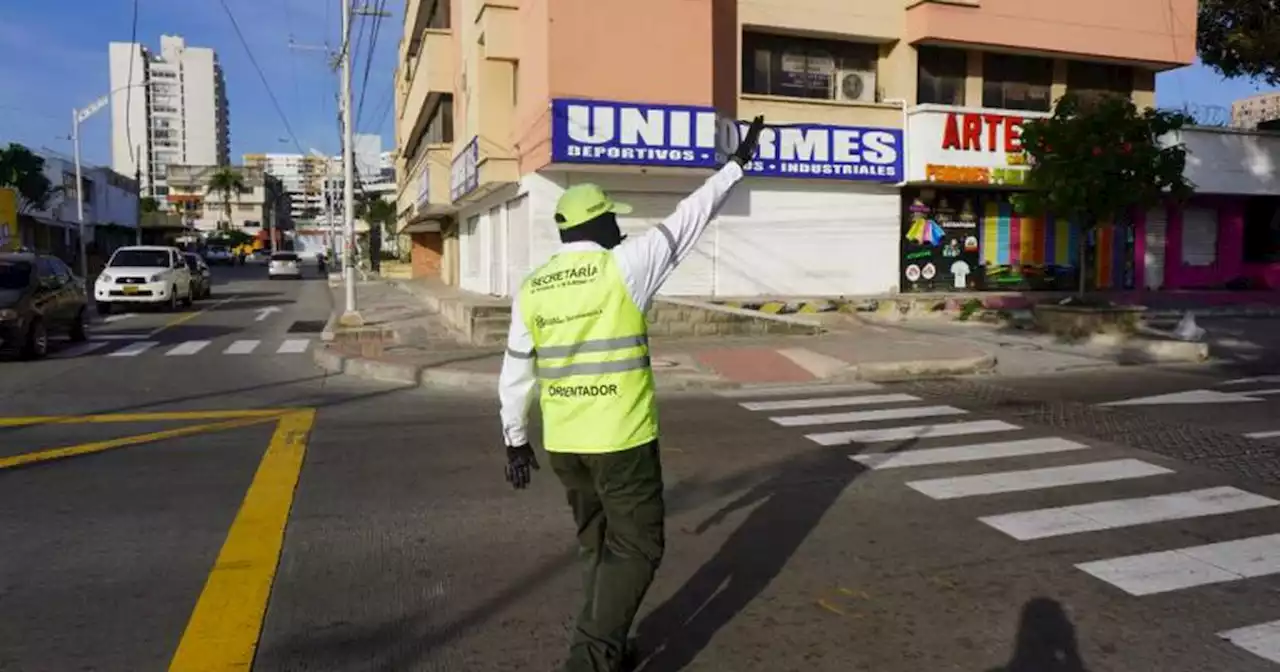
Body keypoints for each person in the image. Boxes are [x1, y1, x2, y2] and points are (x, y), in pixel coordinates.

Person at [498, 115, 766, 672]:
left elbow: (515, 371)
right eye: (613, 223)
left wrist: (515, 440)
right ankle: (591, 658)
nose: (621, 231)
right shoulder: (625, 266)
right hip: (620, 440)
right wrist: (735, 167)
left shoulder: (533, 287)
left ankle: (611, 646)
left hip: (565, 446)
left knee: (598, 545)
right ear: (596, 226)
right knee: (640, 547)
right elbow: (689, 219)